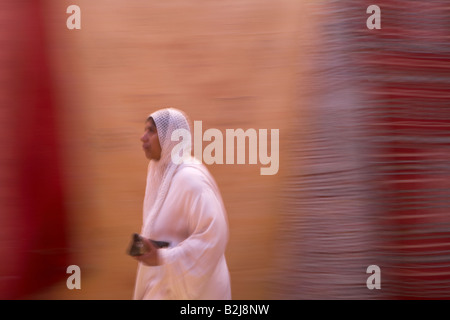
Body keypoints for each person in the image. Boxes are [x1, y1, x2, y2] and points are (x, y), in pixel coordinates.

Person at [132, 107, 232, 300]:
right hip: (167, 284)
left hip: (195, 292)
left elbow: (214, 236)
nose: (143, 137)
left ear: (172, 137)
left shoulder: (190, 179)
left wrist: (163, 257)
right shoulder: (159, 172)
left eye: (151, 131)